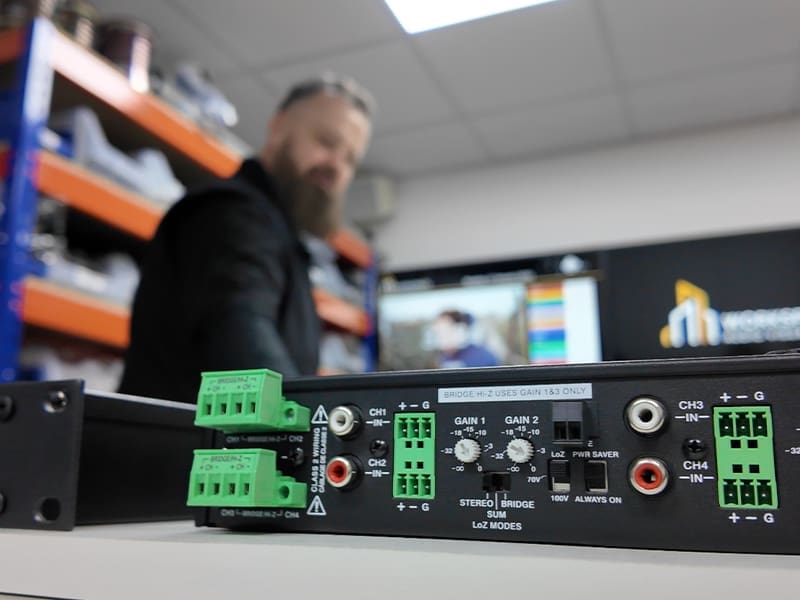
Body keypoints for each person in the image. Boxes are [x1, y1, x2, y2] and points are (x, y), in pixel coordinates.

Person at [118, 75, 374, 402]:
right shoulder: (232, 214)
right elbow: (244, 342)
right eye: (326, 141)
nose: (337, 165)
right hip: (185, 436)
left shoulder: (281, 236)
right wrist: (309, 424)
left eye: (350, 159)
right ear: (278, 128)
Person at [429, 310, 499, 369]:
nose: (441, 338)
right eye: (438, 333)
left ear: (461, 330)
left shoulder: (483, 356)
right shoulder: (443, 357)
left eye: (446, 331)